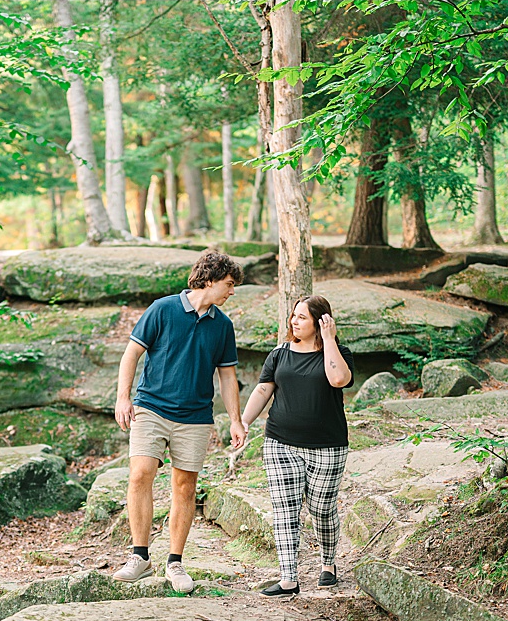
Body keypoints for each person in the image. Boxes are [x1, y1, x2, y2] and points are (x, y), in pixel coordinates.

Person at [111, 252, 247, 593]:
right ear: (210, 279)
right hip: (152, 408)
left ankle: (175, 562)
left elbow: (228, 377)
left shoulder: (223, 326)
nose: (232, 291)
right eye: (229, 284)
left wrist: (235, 420)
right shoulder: (163, 309)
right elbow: (131, 354)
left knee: (185, 487)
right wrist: (123, 397)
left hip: (195, 417)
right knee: (140, 472)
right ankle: (140, 557)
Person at [238, 295, 354, 597]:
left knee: (321, 508)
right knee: (285, 510)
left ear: (320, 321)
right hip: (280, 443)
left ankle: (328, 563)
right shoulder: (279, 354)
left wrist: (328, 340)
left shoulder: (339, 352)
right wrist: (244, 422)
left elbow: (339, 379)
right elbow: (264, 389)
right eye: (293, 316)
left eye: (302, 317)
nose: (294, 321)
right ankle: (288, 577)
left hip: (327, 446)